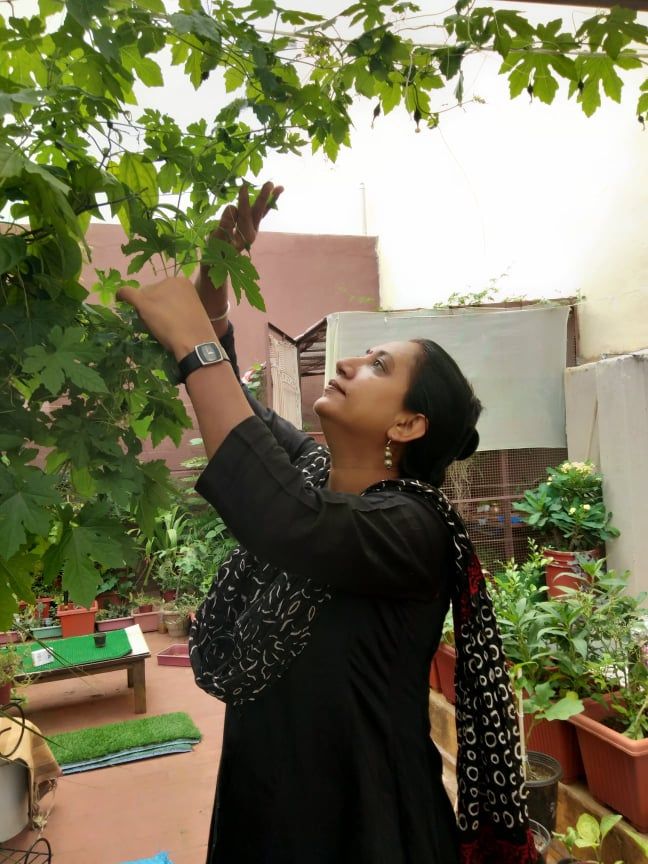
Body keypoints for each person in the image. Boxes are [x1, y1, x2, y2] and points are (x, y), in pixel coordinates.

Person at [117, 184, 538, 864]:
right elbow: (242, 420)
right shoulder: (313, 470)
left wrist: (194, 342)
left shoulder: (416, 529)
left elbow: (285, 520)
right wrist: (213, 295)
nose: (348, 363)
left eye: (378, 365)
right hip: (268, 801)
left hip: (365, 821)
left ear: (408, 424)